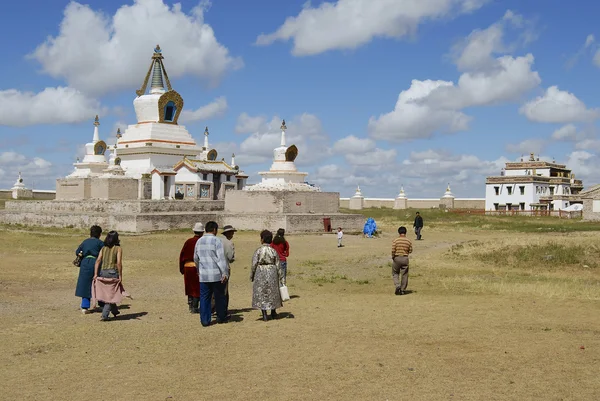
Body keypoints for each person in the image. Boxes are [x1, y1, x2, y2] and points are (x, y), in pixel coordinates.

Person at [194, 221, 229, 327]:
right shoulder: (216, 241)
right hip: (216, 274)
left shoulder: (199, 241)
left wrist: (198, 270)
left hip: (204, 275)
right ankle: (221, 317)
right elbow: (221, 259)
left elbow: (196, 258)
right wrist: (225, 273)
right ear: (214, 230)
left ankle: (205, 320)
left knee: (204, 298)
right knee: (219, 296)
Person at [251, 230, 283, 321]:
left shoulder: (258, 251)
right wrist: (281, 277)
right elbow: (278, 264)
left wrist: (252, 275)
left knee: (262, 292)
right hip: (272, 271)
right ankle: (273, 311)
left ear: (262, 239)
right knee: (273, 291)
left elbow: (254, 264)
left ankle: (264, 314)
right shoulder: (273, 251)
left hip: (260, 271)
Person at [93, 231, 124, 321]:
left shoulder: (103, 248)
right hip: (112, 272)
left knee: (109, 292)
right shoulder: (118, 248)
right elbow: (118, 263)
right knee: (110, 294)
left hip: (103, 271)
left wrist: (95, 274)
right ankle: (104, 315)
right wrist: (120, 275)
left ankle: (115, 311)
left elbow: (98, 260)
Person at [75, 225, 103, 314]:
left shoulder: (85, 242)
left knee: (85, 284)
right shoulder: (100, 243)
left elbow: (77, 252)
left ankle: (85, 306)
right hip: (96, 262)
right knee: (98, 283)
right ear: (99, 234)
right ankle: (101, 304)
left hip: (85, 263)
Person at [179, 223, 204, 313]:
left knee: (189, 286)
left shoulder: (188, 241)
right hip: (197, 267)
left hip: (187, 267)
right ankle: (195, 306)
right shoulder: (202, 242)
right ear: (202, 232)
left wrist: (182, 268)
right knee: (197, 287)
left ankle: (190, 304)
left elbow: (182, 255)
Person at [391, 226, 413, 295]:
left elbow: (393, 250)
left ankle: (397, 286)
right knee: (404, 274)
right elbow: (411, 250)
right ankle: (403, 289)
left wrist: (393, 257)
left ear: (399, 232)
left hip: (397, 257)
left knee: (395, 273)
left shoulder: (396, 240)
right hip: (405, 258)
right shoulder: (408, 241)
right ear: (405, 232)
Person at [221, 225, 237, 313]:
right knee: (224, 290)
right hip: (225, 268)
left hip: (214, 268)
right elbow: (231, 257)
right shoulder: (229, 243)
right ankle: (223, 309)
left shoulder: (217, 240)